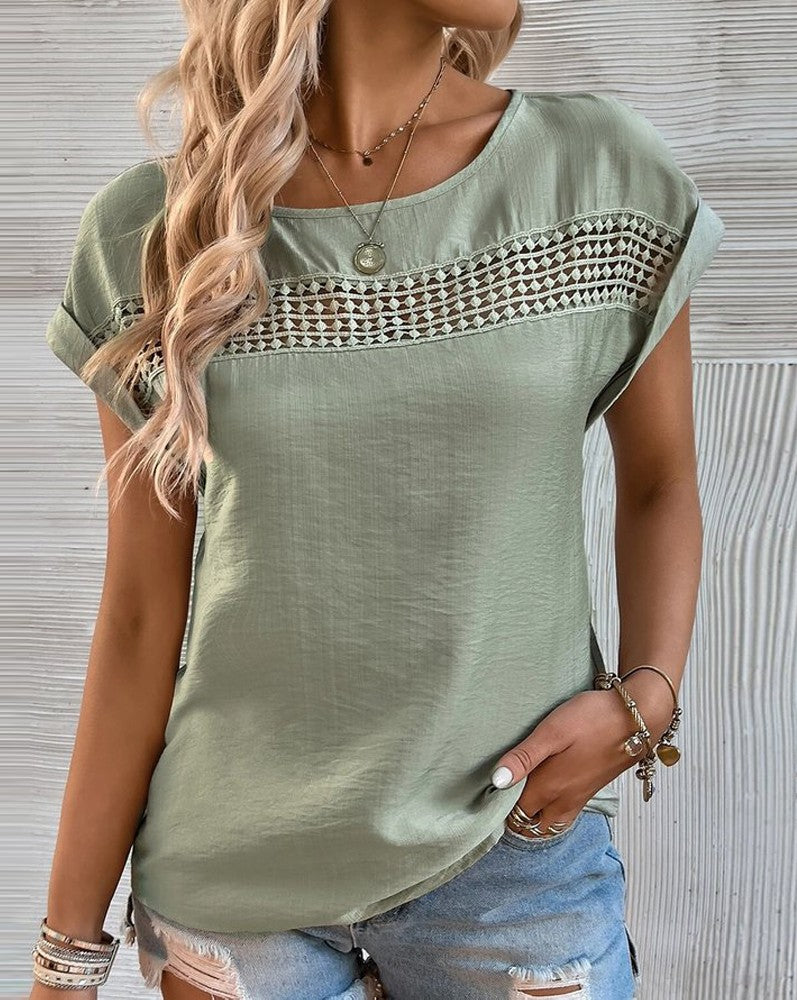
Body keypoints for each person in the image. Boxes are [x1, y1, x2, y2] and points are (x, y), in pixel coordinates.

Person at [32, 1, 726, 998]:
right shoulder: (156, 233)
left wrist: (647, 694)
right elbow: (142, 613)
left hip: (508, 858)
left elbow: (661, 479)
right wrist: (66, 957)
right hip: (231, 882)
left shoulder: (597, 175)